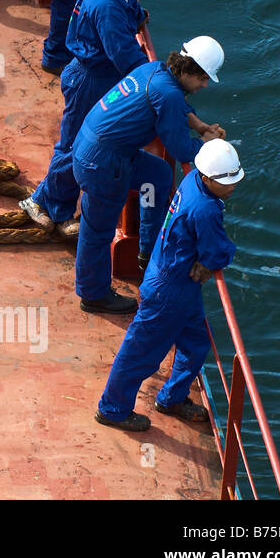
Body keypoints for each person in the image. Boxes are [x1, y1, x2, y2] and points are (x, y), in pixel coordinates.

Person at [95, 139, 244, 432]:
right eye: (225, 181)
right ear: (206, 177)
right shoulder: (206, 209)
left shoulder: (191, 181)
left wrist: (206, 262)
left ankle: (173, 398)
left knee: (196, 341)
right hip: (170, 290)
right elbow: (218, 251)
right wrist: (212, 260)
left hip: (173, 279)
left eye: (234, 179)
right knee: (140, 353)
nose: (232, 186)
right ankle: (112, 410)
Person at [70, 37, 227, 314]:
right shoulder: (168, 95)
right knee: (97, 231)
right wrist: (208, 144)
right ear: (189, 71)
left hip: (101, 147)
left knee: (157, 175)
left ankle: (148, 250)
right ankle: (93, 295)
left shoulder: (154, 70)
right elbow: (180, 148)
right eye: (203, 80)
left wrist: (201, 127)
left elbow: (179, 107)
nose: (204, 86)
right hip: (103, 164)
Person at [20, 0, 149, 237]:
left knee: (78, 143)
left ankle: (57, 207)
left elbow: (130, 11)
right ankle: (42, 203)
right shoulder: (106, 6)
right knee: (75, 146)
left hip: (95, 75)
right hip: (90, 80)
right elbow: (125, 55)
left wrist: (138, 17)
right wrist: (153, 80)